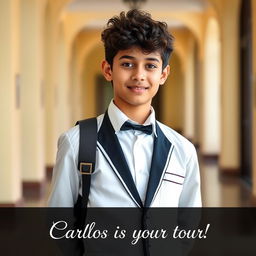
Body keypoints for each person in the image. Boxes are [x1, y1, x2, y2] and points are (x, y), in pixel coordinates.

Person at [48, 9, 201, 208]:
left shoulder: (183, 149)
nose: (139, 75)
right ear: (108, 70)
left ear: (163, 74)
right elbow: (59, 224)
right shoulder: (76, 142)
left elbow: (187, 226)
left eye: (151, 66)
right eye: (127, 64)